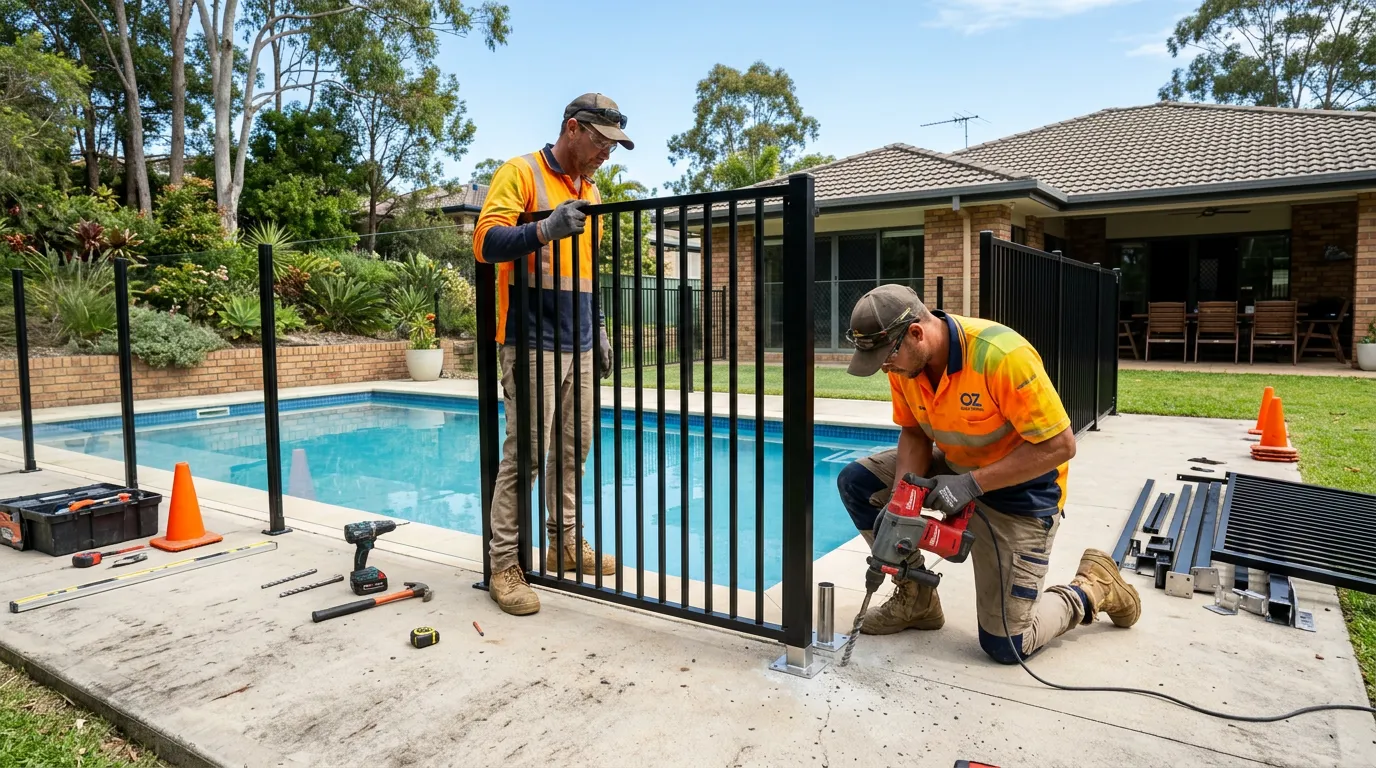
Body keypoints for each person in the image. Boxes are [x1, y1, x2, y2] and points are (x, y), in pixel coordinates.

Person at [836, 284, 1141, 663]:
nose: (885, 366)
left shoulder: (1002, 355)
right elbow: (914, 430)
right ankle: (917, 599)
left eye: (887, 356)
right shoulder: (904, 362)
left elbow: (1060, 446)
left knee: (1007, 645)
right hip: (956, 467)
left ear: (916, 332)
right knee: (857, 482)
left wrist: (970, 484)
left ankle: (1094, 586)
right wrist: (903, 502)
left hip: (1023, 493)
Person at [474, 93, 633, 616]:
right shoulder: (520, 174)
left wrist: (602, 330)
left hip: (580, 342)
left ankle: (564, 542)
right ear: (573, 128)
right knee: (527, 456)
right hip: (530, 338)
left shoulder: (593, 192)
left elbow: (591, 272)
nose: (607, 153)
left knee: (573, 450)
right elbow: (485, 242)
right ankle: (504, 565)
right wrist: (544, 228)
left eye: (615, 145)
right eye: (602, 141)